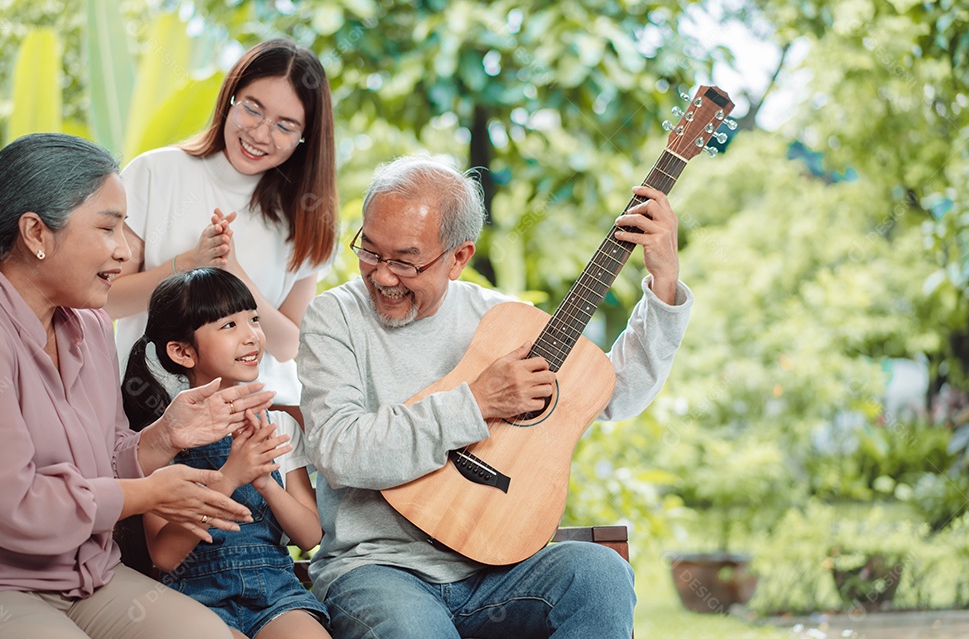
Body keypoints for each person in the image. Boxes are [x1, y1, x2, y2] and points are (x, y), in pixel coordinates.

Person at [0, 133, 276, 639]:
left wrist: (165, 436)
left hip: (82, 576)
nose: (123, 250)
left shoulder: (88, 324)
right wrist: (145, 494)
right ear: (36, 233)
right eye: (108, 227)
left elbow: (102, 460)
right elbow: (15, 508)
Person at [297, 156, 695, 638]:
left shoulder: (505, 321)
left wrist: (665, 286)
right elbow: (339, 450)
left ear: (459, 257)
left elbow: (612, 393)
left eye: (405, 260)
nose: (382, 276)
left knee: (599, 575)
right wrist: (477, 402)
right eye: (370, 251)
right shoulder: (334, 318)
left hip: (498, 573)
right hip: (379, 569)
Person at [107, 38, 338, 419]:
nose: (261, 134)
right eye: (252, 109)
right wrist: (187, 264)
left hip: (250, 424)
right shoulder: (155, 173)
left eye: (285, 126)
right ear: (230, 99)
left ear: (305, 137)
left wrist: (234, 275)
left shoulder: (305, 216)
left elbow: (289, 345)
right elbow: (108, 300)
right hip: (144, 417)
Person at [121, 267, 330, 639]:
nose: (251, 336)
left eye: (253, 319)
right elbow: (165, 556)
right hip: (194, 597)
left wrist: (266, 482)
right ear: (183, 351)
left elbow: (311, 535)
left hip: (275, 591)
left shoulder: (279, 427)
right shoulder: (161, 440)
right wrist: (231, 475)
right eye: (229, 326)